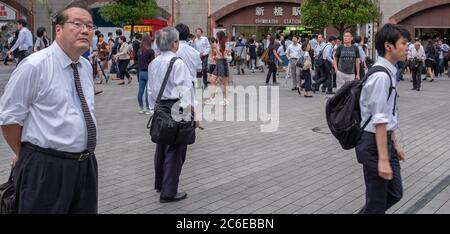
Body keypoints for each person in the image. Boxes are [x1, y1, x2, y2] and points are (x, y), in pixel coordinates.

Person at [0, 4, 98, 214]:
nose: (85, 30)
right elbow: (9, 119)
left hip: (85, 165)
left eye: (90, 26)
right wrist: (25, 153)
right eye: (77, 24)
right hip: (45, 168)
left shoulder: (85, 66)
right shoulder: (34, 66)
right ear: (58, 29)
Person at [356, 23, 409, 214]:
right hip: (372, 144)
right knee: (377, 202)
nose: (407, 47)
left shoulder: (389, 72)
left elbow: (387, 114)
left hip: (384, 141)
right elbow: (378, 119)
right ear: (389, 46)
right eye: (404, 43)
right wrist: (384, 160)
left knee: (395, 193)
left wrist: (394, 145)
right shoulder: (381, 76)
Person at [147, 27, 198, 203]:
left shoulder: (154, 63)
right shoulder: (177, 62)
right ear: (174, 43)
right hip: (177, 107)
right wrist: (192, 114)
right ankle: (169, 192)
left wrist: (154, 108)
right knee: (176, 150)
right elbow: (185, 90)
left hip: (160, 107)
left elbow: (151, 90)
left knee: (161, 147)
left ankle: (161, 184)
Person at [205, 31, 233, 106]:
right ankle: (212, 98)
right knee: (212, 80)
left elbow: (223, 55)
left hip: (223, 63)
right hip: (218, 63)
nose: (216, 37)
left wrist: (216, 48)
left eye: (217, 36)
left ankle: (226, 100)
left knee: (225, 83)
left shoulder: (223, 44)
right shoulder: (219, 44)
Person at [174, 24, 202, 90]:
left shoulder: (172, 51)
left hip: (174, 85)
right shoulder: (195, 53)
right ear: (188, 35)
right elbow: (199, 69)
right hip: (190, 84)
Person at [136, 33, 155, 114]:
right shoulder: (151, 51)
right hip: (148, 72)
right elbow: (153, 63)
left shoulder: (139, 51)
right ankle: (148, 108)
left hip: (141, 72)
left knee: (140, 91)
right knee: (148, 92)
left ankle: (141, 108)